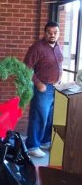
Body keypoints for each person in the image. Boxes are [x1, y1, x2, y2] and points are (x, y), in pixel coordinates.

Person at [24, 21, 63, 158]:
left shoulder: (58, 46)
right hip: (43, 88)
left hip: (56, 87)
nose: (52, 35)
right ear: (45, 33)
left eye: (55, 32)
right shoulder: (37, 47)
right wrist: (38, 83)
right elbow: (26, 67)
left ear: (58, 33)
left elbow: (58, 65)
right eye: (49, 32)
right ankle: (32, 146)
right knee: (39, 116)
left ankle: (45, 141)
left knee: (50, 116)